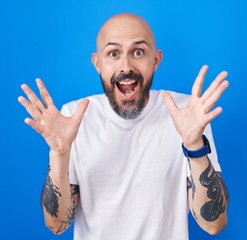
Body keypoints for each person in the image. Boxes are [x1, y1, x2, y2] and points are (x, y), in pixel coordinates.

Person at [18, 13, 229, 240]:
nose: (126, 66)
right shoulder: (72, 118)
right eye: (113, 53)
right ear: (97, 63)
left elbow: (213, 225)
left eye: (138, 52)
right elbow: (57, 225)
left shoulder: (188, 113)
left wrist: (195, 144)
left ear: (155, 60)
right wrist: (59, 154)